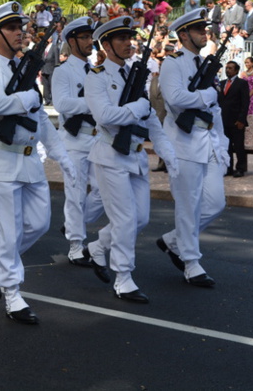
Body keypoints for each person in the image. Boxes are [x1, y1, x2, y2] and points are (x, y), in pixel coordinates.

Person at [0, 1, 77, 324]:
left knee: (38, 223)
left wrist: (62, 156)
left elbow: (40, 118)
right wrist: (24, 99)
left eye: (21, 27)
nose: (21, 33)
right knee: (11, 228)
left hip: (30, 161)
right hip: (0, 159)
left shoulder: (23, 67)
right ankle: (12, 294)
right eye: (13, 28)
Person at [82, 16, 177, 303]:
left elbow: (152, 123)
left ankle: (98, 249)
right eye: (121, 39)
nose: (128, 43)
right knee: (124, 220)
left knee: (141, 219)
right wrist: (137, 106)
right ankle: (123, 278)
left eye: (129, 37)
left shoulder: (134, 75)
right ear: (106, 45)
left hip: (135, 157)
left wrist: (169, 155)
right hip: (110, 156)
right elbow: (106, 117)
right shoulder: (96, 76)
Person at [157, 8, 229, 288]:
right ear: (184, 34)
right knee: (188, 206)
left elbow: (214, 110)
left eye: (205, 29)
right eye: (199, 30)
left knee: (215, 203)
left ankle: (172, 241)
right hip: (184, 144)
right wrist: (207, 94)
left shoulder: (203, 63)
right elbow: (175, 99)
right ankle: (191, 262)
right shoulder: (173, 63)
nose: (204, 33)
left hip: (208, 141)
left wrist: (221, 143)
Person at [51, 16, 105, 266]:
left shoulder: (97, 70)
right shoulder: (63, 71)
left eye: (90, 37)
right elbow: (62, 104)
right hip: (73, 139)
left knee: (103, 191)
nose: (89, 41)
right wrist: (92, 103)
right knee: (75, 193)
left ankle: (74, 225)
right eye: (84, 38)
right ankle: (76, 246)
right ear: (72, 41)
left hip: (97, 139)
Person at [218, 61, 250, 177]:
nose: (228, 70)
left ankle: (241, 168)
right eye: (227, 68)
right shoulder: (221, 84)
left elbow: (245, 102)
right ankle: (228, 167)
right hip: (223, 120)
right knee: (226, 146)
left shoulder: (241, 83)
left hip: (236, 120)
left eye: (231, 68)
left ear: (236, 70)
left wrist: (241, 119)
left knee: (238, 145)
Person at [40, 20, 62, 106]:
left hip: (52, 69)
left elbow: (57, 60)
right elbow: (42, 58)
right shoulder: (44, 47)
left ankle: (53, 100)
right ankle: (47, 100)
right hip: (44, 69)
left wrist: (56, 70)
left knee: (52, 85)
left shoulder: (54, 47)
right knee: (45, 86)